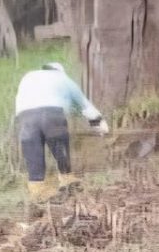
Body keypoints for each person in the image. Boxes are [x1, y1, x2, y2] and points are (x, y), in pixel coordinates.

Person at [14, 62, 108, 203]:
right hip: (52, 114)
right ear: (60, 71)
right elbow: (84, 105)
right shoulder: (64, 79)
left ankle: (37, 190)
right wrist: (99, 123)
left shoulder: (29, 77)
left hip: (25, 116)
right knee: (59, 144)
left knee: (33, 150)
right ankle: (67, 179)